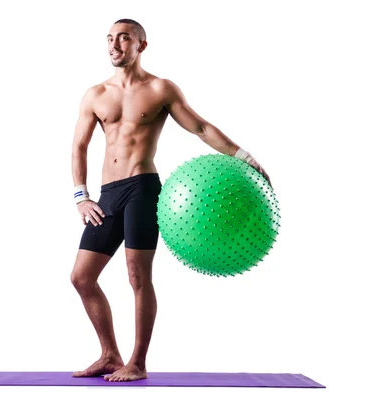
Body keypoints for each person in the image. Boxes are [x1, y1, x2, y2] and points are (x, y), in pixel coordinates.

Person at [70, 18, 271, 382]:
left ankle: (138, 362)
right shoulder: (95, 94)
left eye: (124, 38)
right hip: (107, 195)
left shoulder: (160, 89)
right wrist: (81, 196)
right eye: (110, 38)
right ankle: (109, 354)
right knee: (82, 278)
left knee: (137, 276)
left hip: (143, 189)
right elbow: (79, 147)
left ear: (141, 46)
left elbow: (200, 127)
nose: (114, 44)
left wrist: (244, 157)